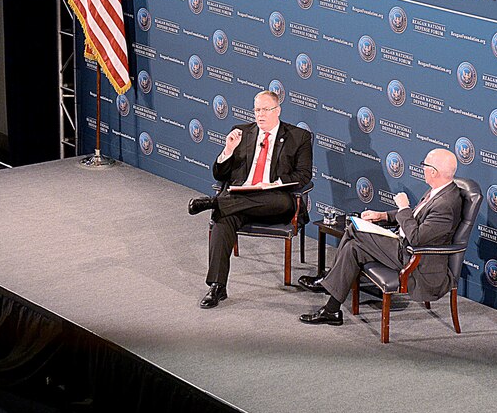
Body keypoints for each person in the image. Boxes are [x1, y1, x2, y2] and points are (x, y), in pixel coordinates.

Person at [298, 148, 460, 326]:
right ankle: (332, 310)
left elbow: (417, 238)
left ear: (433, 172)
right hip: (403, 246)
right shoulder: (439, 191)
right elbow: (417, 216)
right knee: (353, 248)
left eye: (424, 165)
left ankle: (329, 279)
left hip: (414, 258)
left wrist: (404, 207)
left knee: (355, 230)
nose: (422, 168)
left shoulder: (446, 204)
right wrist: (382, 215)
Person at [188, 90, 313, 308]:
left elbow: (304, 176)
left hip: (274, 200)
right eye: (257, 110)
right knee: (222, 217)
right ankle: (217, 286)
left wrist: (276, 183)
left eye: (266, 110)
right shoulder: (241, 133)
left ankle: (214, 201)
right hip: (241, 198)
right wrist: (228, 150)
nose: (260, 115)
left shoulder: (299, 137)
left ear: (278, 110)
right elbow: (219, 175)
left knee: (279, 202)